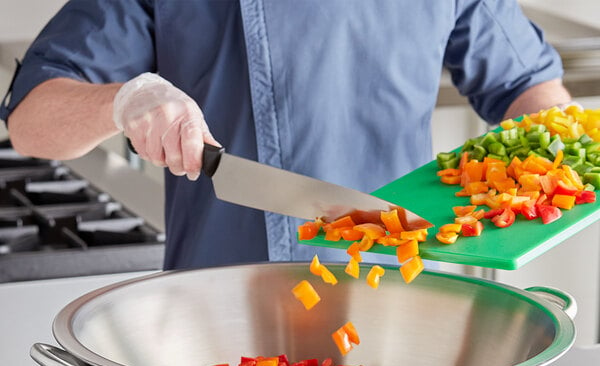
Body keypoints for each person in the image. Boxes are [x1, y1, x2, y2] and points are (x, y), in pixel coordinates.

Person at [1, 0, 575, 270]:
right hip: (218, 307)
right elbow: (31, 122)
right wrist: (126, 99)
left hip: (406, 294)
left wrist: (546, 172)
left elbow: (532, 89)